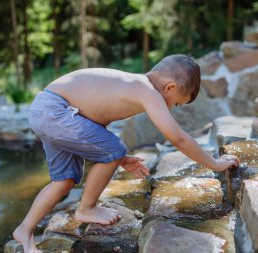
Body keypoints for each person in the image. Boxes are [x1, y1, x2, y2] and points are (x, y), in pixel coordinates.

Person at [13, 54, 240, 253]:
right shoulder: (147, 91)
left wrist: (120, 159)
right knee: (114, 148)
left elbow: (93, 123)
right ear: (169, 87)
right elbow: (178, 138)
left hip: (48, 109)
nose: (171, 108)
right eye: (177, 104)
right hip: (56, 111)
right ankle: (86, 208)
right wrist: (214, 163)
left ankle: (24, 231)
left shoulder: (130, 85)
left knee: (64, 181)